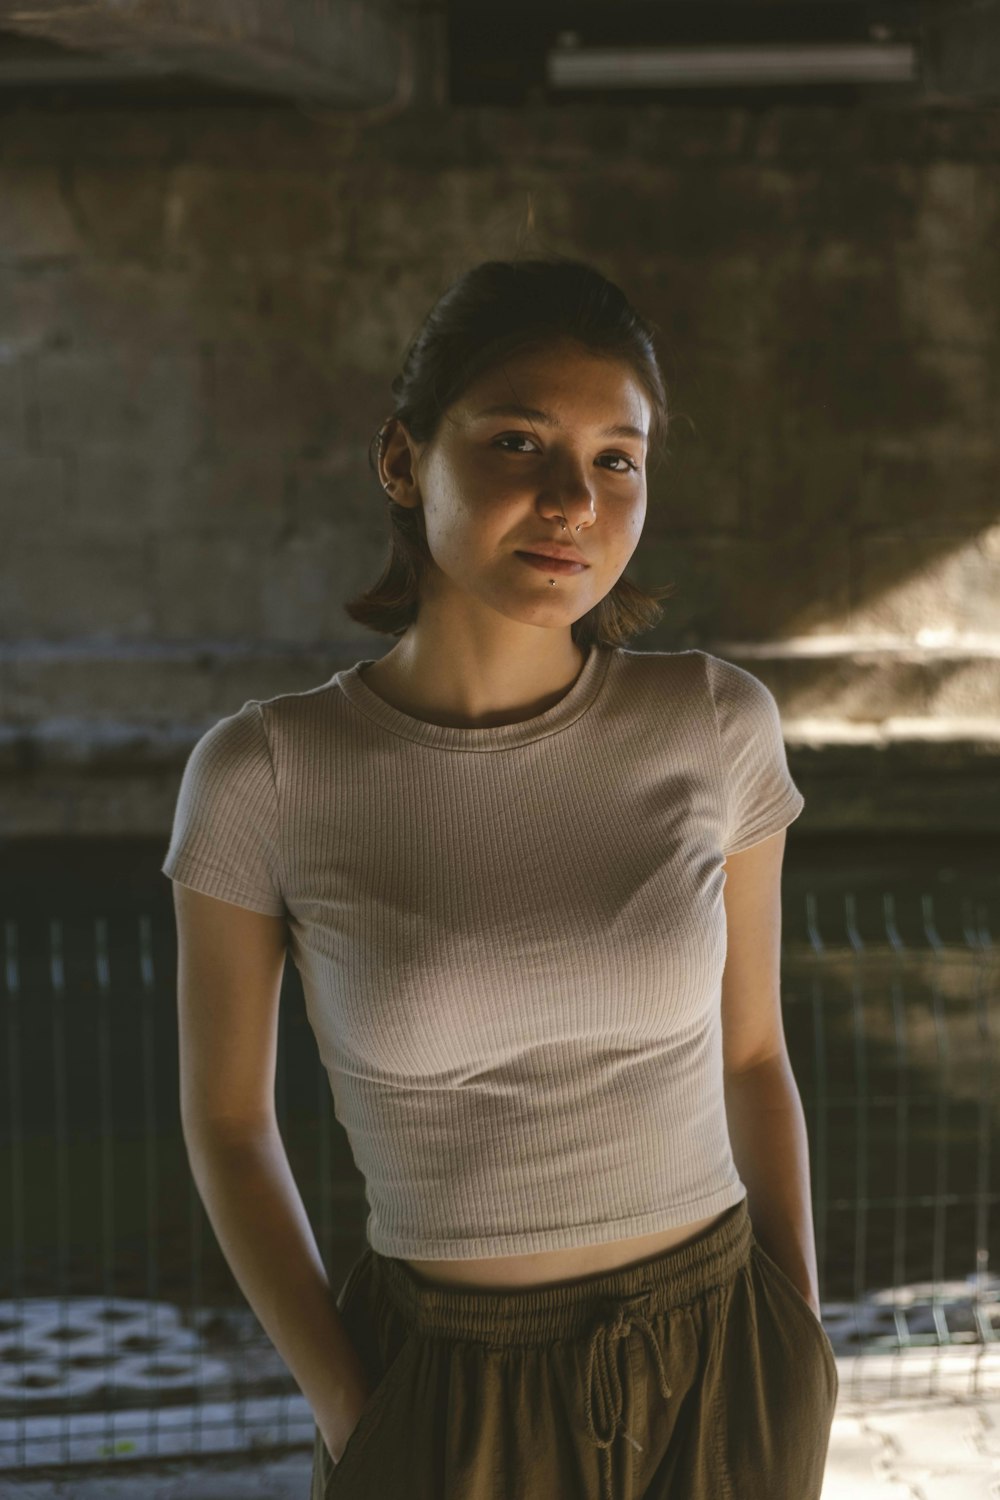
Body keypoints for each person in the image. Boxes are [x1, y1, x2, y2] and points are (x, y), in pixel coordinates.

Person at [162, 256, 838, 1499]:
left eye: (616, 458)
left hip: (726, 1366)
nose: (571, 498)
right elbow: (226, 1123)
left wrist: (800, 1339)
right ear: (401, 458)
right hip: (447, 1400)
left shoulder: (715, 722)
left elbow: (752, 1056)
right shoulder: (264, 774)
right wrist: (359, 1419)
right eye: (519, 442)